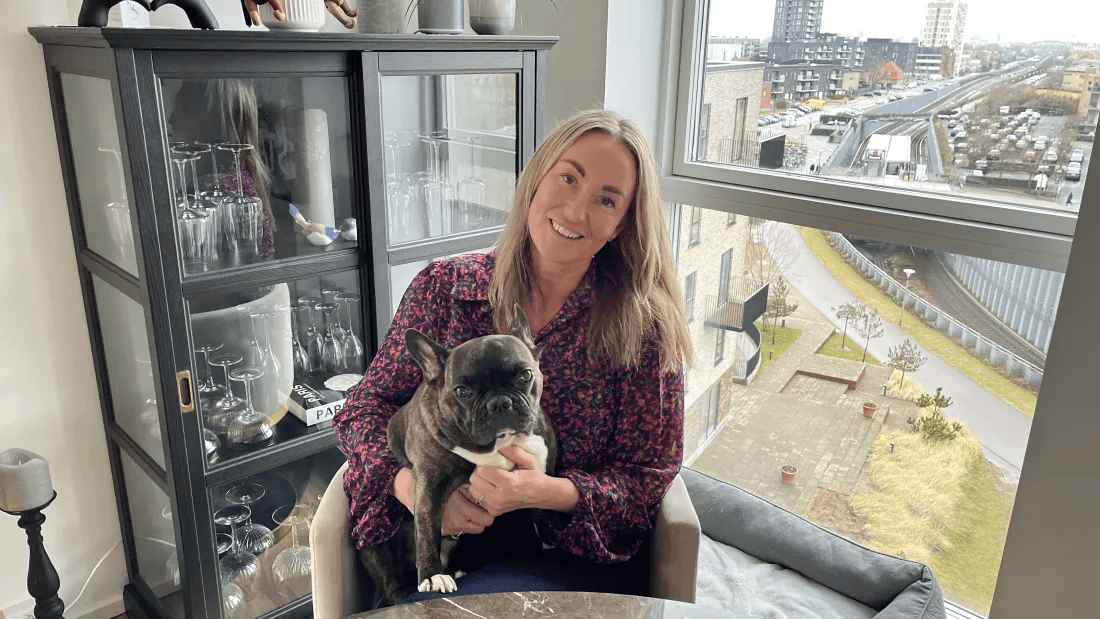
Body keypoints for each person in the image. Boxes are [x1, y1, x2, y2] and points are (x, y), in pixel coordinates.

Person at [333, 108, 692, 605]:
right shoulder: (445, 290)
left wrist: (548, 492)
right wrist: (412, 488)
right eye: (568, 178)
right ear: (535, 178)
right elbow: (363, 409)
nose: (574, 211)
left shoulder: (645, 330)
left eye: (605, 200)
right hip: (443, 550)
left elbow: (650, 478)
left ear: (622, 225)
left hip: (568, 555)